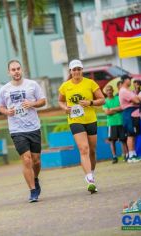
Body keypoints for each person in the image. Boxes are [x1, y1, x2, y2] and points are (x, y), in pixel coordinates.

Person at [0, 60, 46, 202]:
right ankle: (32, 191)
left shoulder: (32, 85)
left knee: (36, 161)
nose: (16, 71)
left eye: (18, 69)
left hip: (33, 127)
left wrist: (32, 103)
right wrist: (7, 111)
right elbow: (0, 106)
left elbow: (43, 101)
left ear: (21, 70)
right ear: (9, 72)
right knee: (26, 159)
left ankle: (35, 179)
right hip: (16, 129)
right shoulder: (4, 89)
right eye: (13, 69)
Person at [58, 59, 105, 194]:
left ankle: (91, 172)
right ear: (70, 71)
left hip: (90, 119)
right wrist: (64, 108)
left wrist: (90, 102)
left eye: (79, 69)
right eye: (74, 69)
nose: (77, 72)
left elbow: (102, 100)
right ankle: (90, 179)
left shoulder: (90, 83)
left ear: (82, 70)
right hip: (75, 120)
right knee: (83, 149)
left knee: (92, 150)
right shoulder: (65, 86)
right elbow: (60, 101)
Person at [118, 75, 141, 163]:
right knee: (130, 134)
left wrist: (137, 98)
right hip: (129, 114)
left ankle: (133, 154)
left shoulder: (127, 90)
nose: (131, 81)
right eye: (129, 79)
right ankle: (131, 156)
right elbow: (137, 100)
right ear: (125, 80)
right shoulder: (124, 91)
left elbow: (137, 99)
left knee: (133, 134)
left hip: (133, 113)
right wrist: (138, 98)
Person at [103, 85, 128, 164]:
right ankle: (114, 157)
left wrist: (112, 109)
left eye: (110, 90)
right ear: (106, 92)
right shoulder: (105, 101)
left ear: (113, 90)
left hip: (120, 122)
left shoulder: (118, 98)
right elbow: (107, 112)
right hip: (111, 124)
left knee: (123, 140)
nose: (109, 91)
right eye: (107, 90)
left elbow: (122, 107)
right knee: (112, 141)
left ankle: (125, 155)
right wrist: (117, 110)